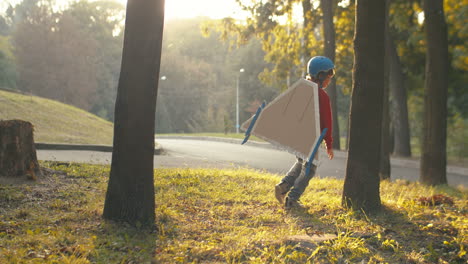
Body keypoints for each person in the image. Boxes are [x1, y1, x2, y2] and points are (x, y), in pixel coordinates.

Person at [275, 56, 335, 209]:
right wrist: (329, 143)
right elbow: (327, 123)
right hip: (312, 139)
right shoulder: (322, 96)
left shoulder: (301, 90)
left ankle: (283, 186)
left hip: (298, 135)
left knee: (301, 163)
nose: (329, 81)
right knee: (309, 169)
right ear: (320, 76)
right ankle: (292, 200)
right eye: (328, 77)